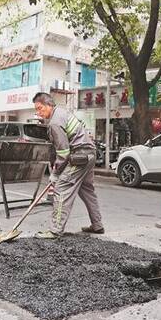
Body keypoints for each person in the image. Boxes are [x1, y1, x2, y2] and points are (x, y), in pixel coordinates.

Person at [32, 92, 104, 239]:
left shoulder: (55, 122)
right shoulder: (62, 113)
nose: (38, 112)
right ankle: (97, 225)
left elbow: (63, 153)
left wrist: (56, 174)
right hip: (89, 154)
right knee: (87, 190)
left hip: (79, 156)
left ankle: (55, 230)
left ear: (49, 105)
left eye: (40, 108)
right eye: (36, 109)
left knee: (61, 188)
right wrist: (55, 168)